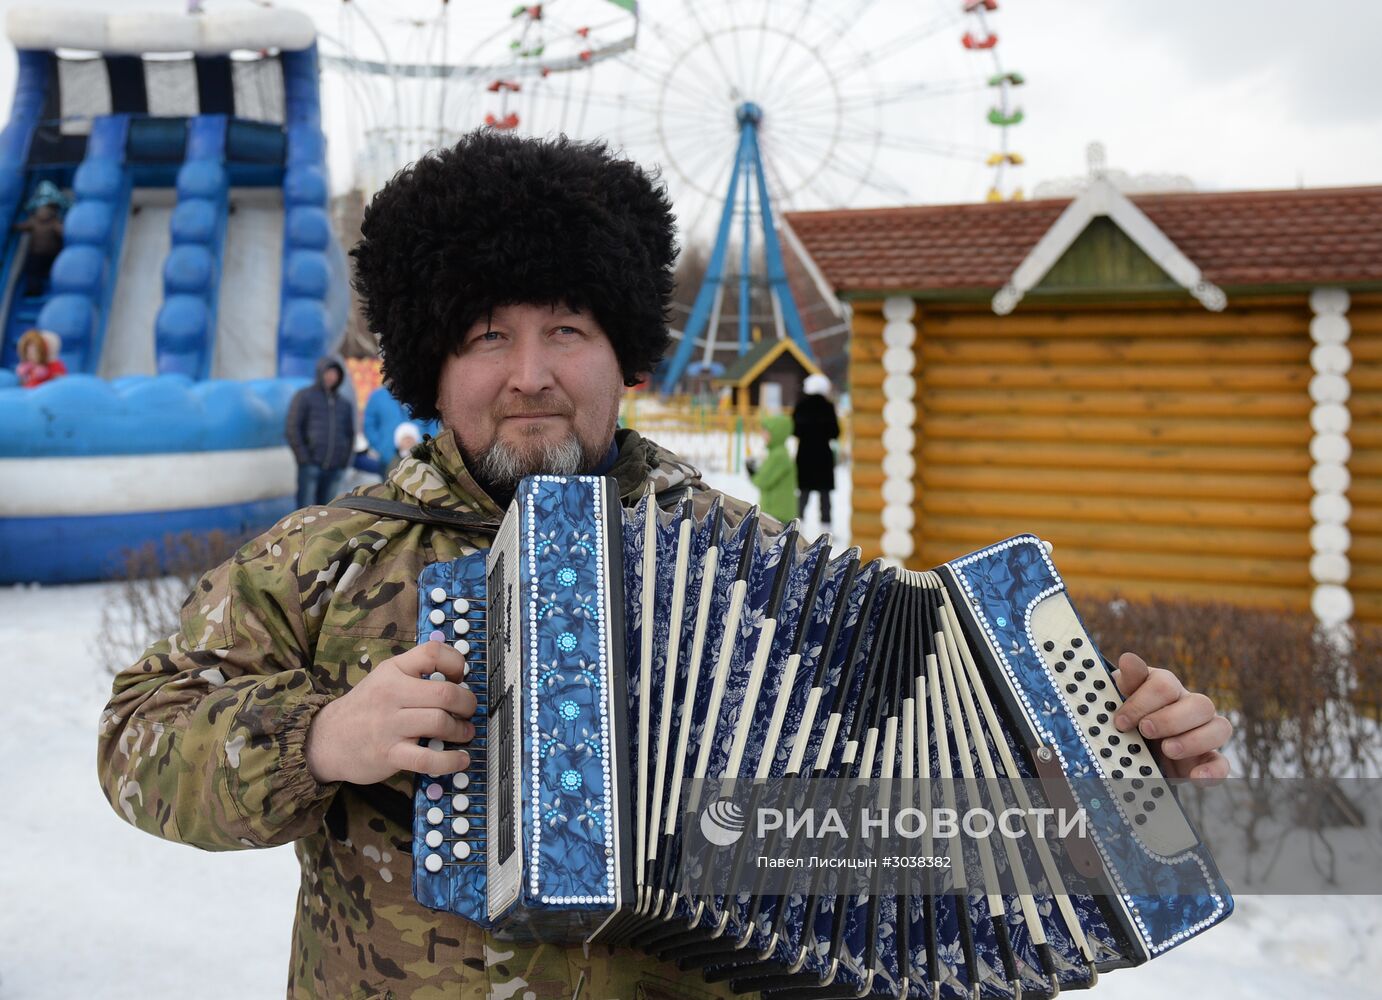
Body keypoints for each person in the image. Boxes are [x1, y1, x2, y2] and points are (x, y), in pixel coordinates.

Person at [96, 131, 1233, 1000]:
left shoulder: (743, 566)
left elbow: (900, 824)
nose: (531, 373)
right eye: (488, 335)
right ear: (432, 368)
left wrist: (1107, 775)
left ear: (624, 354)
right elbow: (136, 736)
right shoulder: (325, 558)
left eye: (568, 330)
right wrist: (315, 738)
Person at [284, 356, 355, 508]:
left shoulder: (344, 404)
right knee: (305, 513)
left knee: (327, 513)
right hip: (311, 465)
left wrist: (344, 462)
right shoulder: (304, 396)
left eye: (335, 373)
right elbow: (292, 427)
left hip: (335, 468)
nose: (331, 377)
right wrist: (304, 458)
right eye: (328, 372)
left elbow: (350, 434)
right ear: (320, 373)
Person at [793, 372, 840, 531]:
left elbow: (795, 431)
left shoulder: (800, 406)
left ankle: (799, 526)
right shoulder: (828, 407)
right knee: (824, 494)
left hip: (805, 454)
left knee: (803, 492)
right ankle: (826, 528)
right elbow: (835, 432)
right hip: (823, 456)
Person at [749, 412, 798, 525]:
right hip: (777, 509)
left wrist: (753, 473)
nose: (762, 434)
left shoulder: (778, 455)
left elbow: (763, 481)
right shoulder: (777, 452)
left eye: (766, 432)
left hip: (777, 512)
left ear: (777, 433)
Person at [13, 201, 64, 296]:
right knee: (48, 269)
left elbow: (23, 226)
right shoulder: (54, 221)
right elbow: (62, 231)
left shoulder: (34, 220)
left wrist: (15, 226)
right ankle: (48, 284)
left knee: (34, 272)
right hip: (50, 252)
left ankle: (34, 290)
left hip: (36, 252)